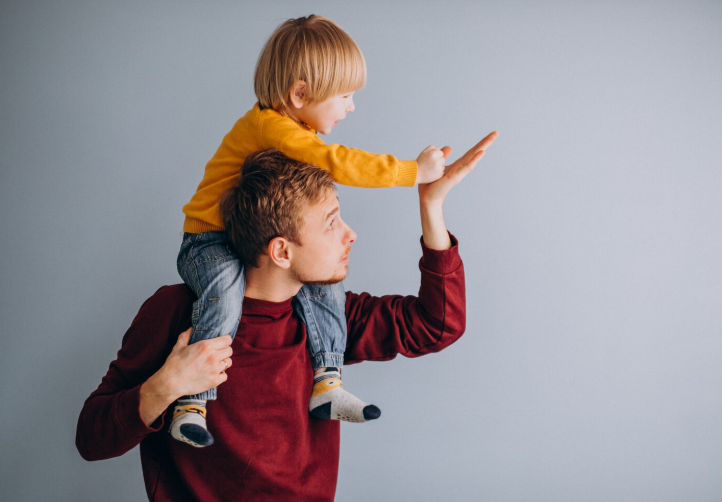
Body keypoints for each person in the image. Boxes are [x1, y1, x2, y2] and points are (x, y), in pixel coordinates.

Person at [76, 133, 497, 501]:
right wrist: (167, 385)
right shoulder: (175, 312)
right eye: (331, 223)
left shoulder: (327, 319)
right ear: (281, 251)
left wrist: (431, 206)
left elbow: (437, 325)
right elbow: (91, 438)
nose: (351, 234)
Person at [174, 14, 449, 447]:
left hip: (254, 240)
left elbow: (436, 324)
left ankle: (327, 381)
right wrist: (413, 171)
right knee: (224, 298)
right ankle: (192, 400)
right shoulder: (273, 127)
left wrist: (432, 205)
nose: (351, 107)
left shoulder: (293, 129)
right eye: (345, 96)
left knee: (325, 285)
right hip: (209, 239)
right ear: (300, 94)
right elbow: (338, 162)